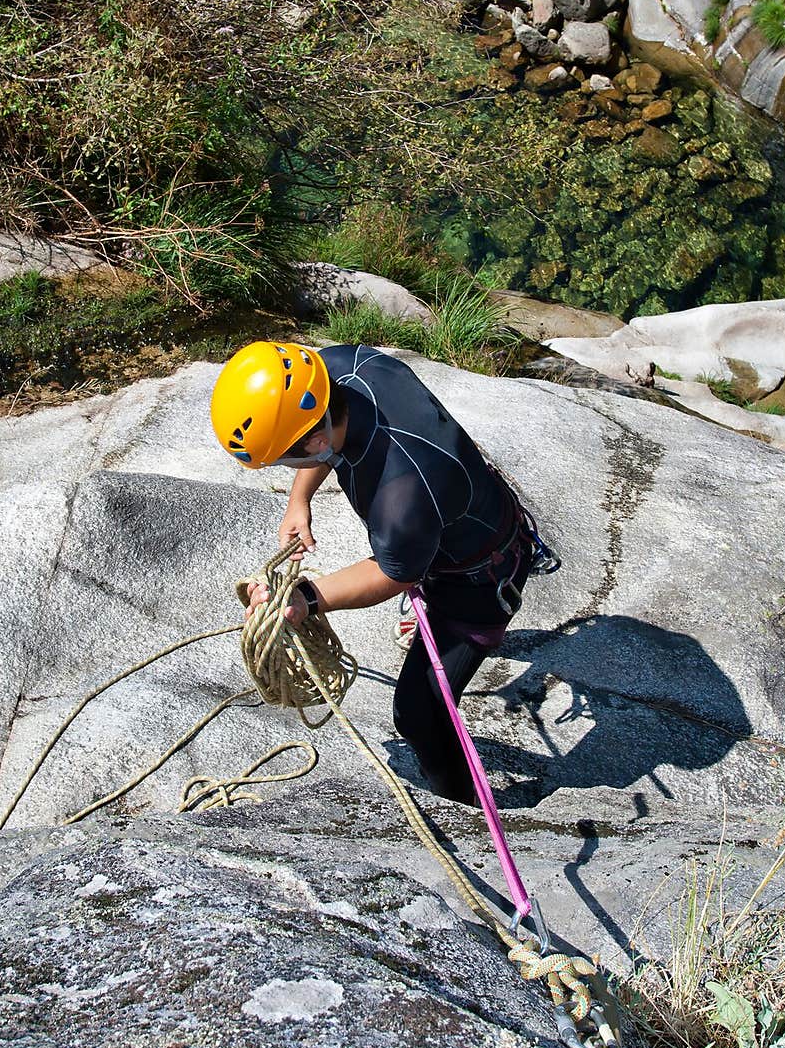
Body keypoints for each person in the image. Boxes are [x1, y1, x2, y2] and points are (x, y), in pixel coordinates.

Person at [210, 339, 558, 806]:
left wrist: (304, 599)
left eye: (287, 461)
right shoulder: (342, 366)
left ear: (313, 442)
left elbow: (394, 572)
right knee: (417, 548)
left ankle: (466, 810)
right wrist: (299, 500)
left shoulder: (402, 499)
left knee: (419, 714)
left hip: (476, 579)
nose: (290, 467)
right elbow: (319, 436)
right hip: (458, 509)